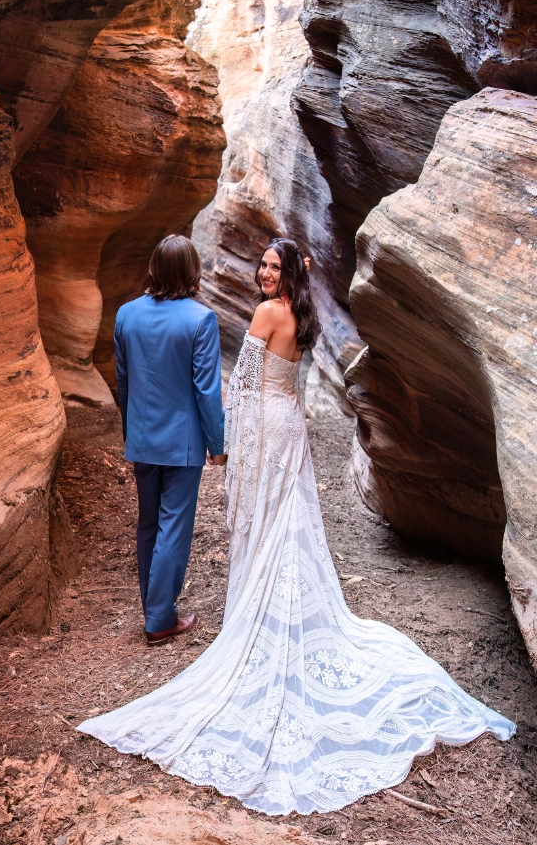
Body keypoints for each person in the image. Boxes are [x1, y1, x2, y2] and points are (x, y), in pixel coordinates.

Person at [77, 238, 515, 815]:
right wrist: (221, 440)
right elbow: (242, 380)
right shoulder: (290, 314)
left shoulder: (194, 313)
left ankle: (182, 609)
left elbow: (213, 384)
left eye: (269, 265)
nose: (260, 272)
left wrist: (217, 444)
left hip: (206, 430)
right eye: (260, 264)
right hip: (279, 427)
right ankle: (181, 612)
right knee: (267, 519)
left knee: (180, 523)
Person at [112, 234, 226, 646]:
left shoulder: (126, 315)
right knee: (173, 525)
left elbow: (123, 382)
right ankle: (159, 619)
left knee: (148, 524)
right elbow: (207, 391)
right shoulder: (200, 320)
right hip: (183, 444)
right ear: (193, 272)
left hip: (143, 438)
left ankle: (154, 607)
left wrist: (131, 433)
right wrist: (218, 444)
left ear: (153, 268)